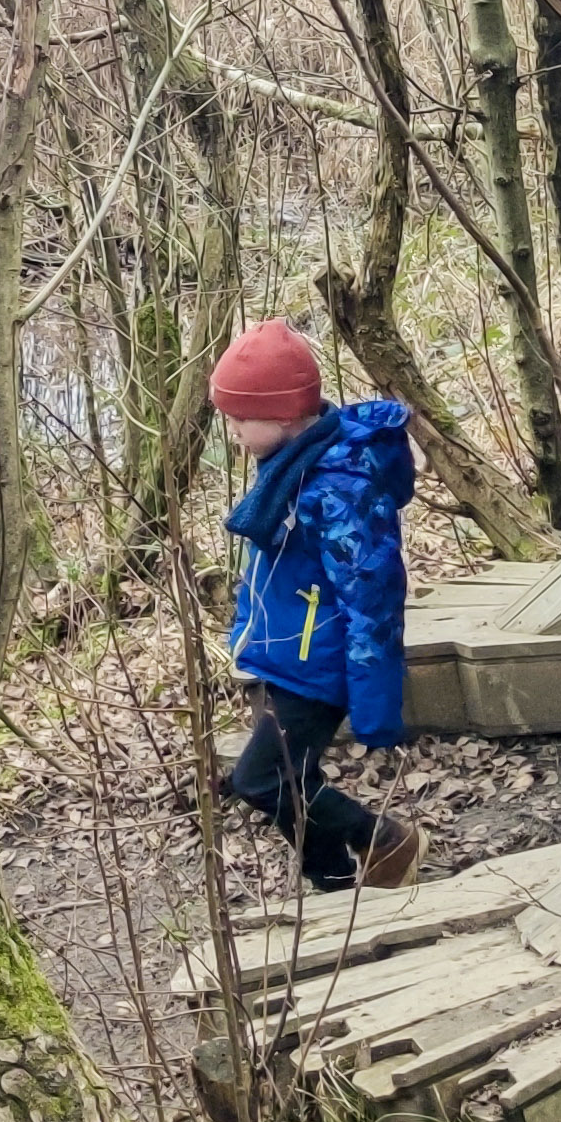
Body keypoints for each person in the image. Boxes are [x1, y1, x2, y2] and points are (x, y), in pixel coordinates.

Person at [209, 320, 427, 895]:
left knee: (259, 780)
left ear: (281, 415)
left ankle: (381, 838)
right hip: (289, 655)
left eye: (237, 417)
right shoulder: (292, 467)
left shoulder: (335, 487)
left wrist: (377, 705)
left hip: (317, 664)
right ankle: (332, 883)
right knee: (290, 776)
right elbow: (274, 573)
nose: (231, 429)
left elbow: (371, 594)